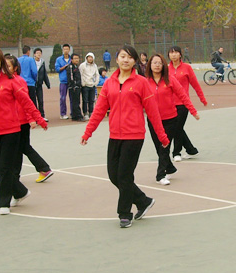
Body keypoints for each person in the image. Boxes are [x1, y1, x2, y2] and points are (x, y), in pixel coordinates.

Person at [80, 45, 168, 229]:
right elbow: (99, 110)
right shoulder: (109, 83)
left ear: (135, 61)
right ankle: (143, 201)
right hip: (115, 135)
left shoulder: (141, 82)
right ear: (117, 59)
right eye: (122, 56)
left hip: (134, 136)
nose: (125, 60)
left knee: (124, 175)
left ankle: (124, 214)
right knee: (114, 175)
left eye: (129, 57)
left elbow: (152, 112)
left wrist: (162, 136)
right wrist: (88, 132)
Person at [0, 48, 47, 215]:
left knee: (6, 168)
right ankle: (20, 191)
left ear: (1, 64)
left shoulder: (11, 81)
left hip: (11, 131)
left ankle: (3, 202)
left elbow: (26, 102)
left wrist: (38, 118)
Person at [145, 54, 199, 185]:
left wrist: (193, 111)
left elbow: (183, 95)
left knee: (164, 147)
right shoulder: (145, 82)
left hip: (170, 119)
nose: (157, 65)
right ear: (150, 65)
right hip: (153, 120)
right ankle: (170, 167)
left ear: (163, 65)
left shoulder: (170, 79)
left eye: (159, 62)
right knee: (159, 147)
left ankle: (160, 175)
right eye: (154, 62)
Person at [5, 55, 53, 184]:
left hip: (21, 121)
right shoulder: (7, 81)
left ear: (15, 68)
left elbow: (26, 103)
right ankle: (39, 169)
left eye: (8, 66)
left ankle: (43, 168)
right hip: (15, 121)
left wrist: (31, 118)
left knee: (22, 148)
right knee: (21, 148)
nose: (4, 69)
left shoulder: (18, 81)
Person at [168, 45, 208, 161]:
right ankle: (191, 150)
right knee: (176, 128)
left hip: (183, 104)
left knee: (177, 127)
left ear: (180, 54)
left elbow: (195, 84)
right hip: (170, 105)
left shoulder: (187, 68)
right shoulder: (166, 69)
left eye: (176, 52)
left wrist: (202, 99)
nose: (173, 55)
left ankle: (177, 153)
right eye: (171, 53)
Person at [80, 52, 99, 119]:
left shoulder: (95, 66)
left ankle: (91, 112)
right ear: (86, 58)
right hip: (85, 85)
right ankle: (85, 113)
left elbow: (97, 74)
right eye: (89, 57)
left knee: (92, 100)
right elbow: (81, 74)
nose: (90, 59)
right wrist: (83, 83)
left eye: (91, 57)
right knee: (85, 100)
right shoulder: (83, 65)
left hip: (92, 85)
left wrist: (96, 83)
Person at [33, 48, 50, 122]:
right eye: (37, 53)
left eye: (40, 53)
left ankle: (42, 115)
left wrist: (47, 83)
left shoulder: (42, 63)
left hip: (39, 85)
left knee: (40, 100)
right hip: (33, 85)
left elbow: (44, 74)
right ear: (34, 54)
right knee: (33, 101)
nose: (38, 55)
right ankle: (35, 117)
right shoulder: (32, 62)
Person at [55, 44, 71, 119]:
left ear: (69, 50)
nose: (66, 51)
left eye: (67, 49)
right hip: (63, 81)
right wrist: (65, 67)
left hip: (71, 81)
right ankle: (63, 113)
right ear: (62, 50)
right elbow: (57, 69)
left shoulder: (72, 58)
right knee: (63, 98)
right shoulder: (59, 59)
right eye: (64, 49)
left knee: (72, 98)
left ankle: (72, 112)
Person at [67, 53, 85, 122]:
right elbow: (71, 77)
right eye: (75, 58)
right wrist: (73, 86)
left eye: (77, 58)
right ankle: (78, 115)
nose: (77, 60)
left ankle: (74, 116)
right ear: (71, 59)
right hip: (73, 87)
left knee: (77, 101)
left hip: (77, 86)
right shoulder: (71, 67)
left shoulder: (76, 67)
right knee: (75, 102)